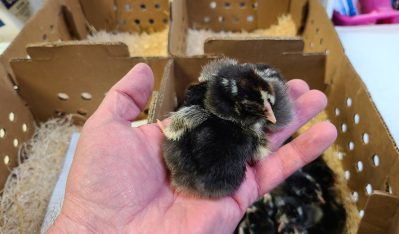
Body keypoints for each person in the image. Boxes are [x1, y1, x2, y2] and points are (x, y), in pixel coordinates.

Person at [47, 64, 336, 233]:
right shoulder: (241, 129)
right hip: (220, 182)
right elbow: (258, 153)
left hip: (190, 173)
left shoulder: (201, 110)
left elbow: (175, 129)